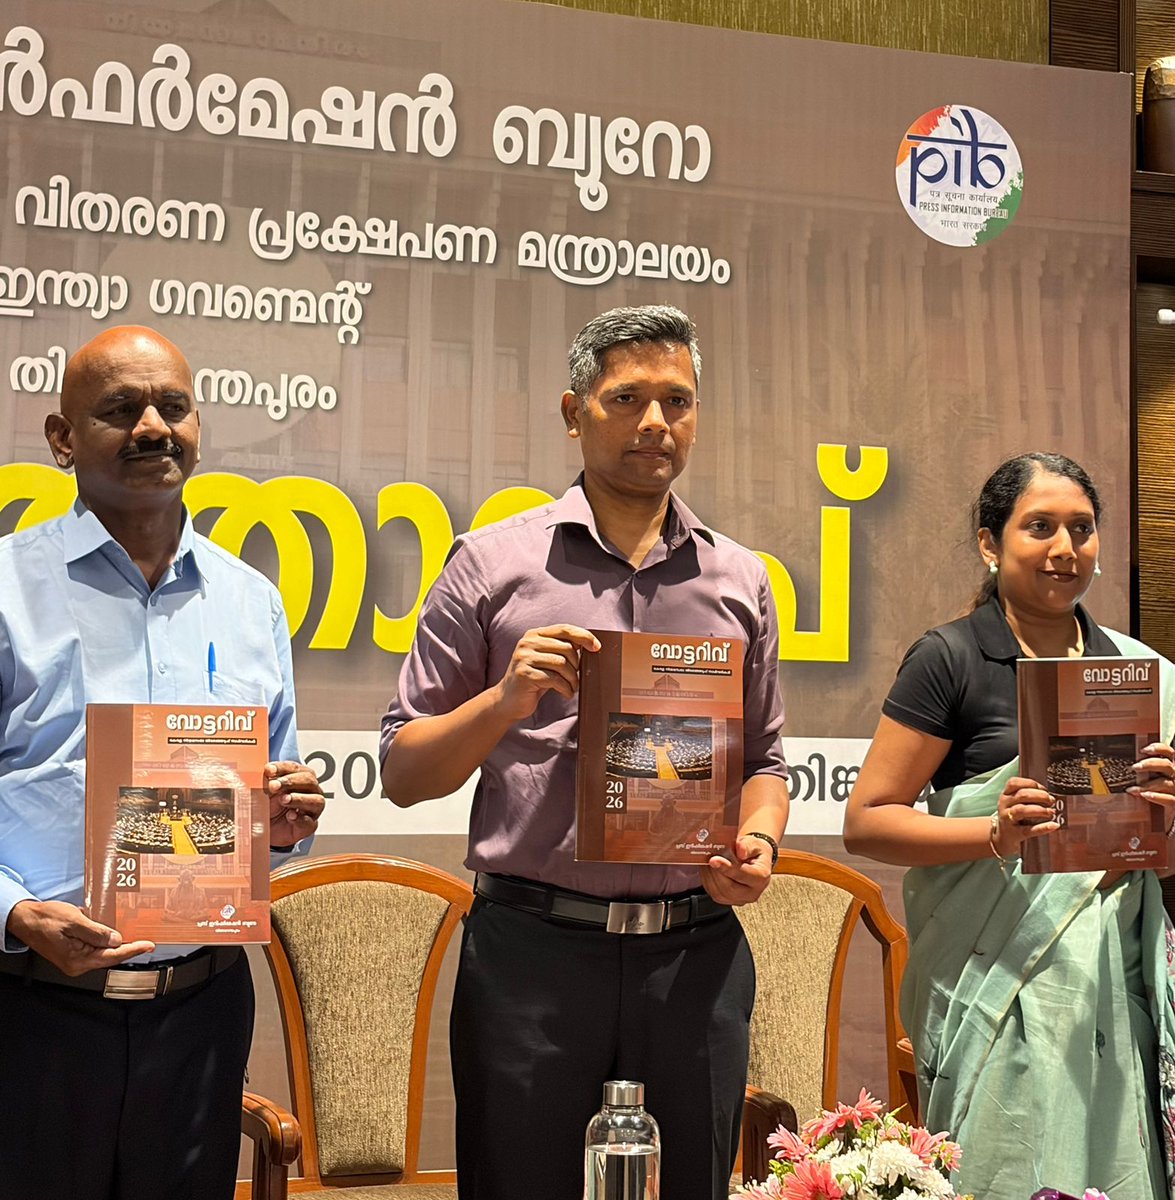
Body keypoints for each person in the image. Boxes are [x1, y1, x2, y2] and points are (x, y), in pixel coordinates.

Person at [380, 304, 789, 1200]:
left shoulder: (740, 579)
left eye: (676, 401)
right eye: (627, 398)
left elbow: (763, 760)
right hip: (533, 953)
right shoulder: (492, 565)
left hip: (695, 953)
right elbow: (404, 772)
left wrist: (756, 844)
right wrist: (506, 699)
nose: (655, 422)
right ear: (573, 412)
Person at [0, 326, 325, 1200]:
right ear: (62, 439)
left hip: (202, 1009)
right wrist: (16, 910)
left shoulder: (251, 601)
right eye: (120, 410)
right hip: (31, 1012)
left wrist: (284, 825)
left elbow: (272, 806)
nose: (153, 427)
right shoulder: (5, 589)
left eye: (172, 407)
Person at [843, 452, 1175, 1200]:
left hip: (1111, 994)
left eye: (1081, 529)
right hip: (992, 987)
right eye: (1039, 527)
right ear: (991, 544)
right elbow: (867, 820)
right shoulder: (950, 658)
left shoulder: (1140, 673)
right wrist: (992, 836)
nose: (1065, 548)